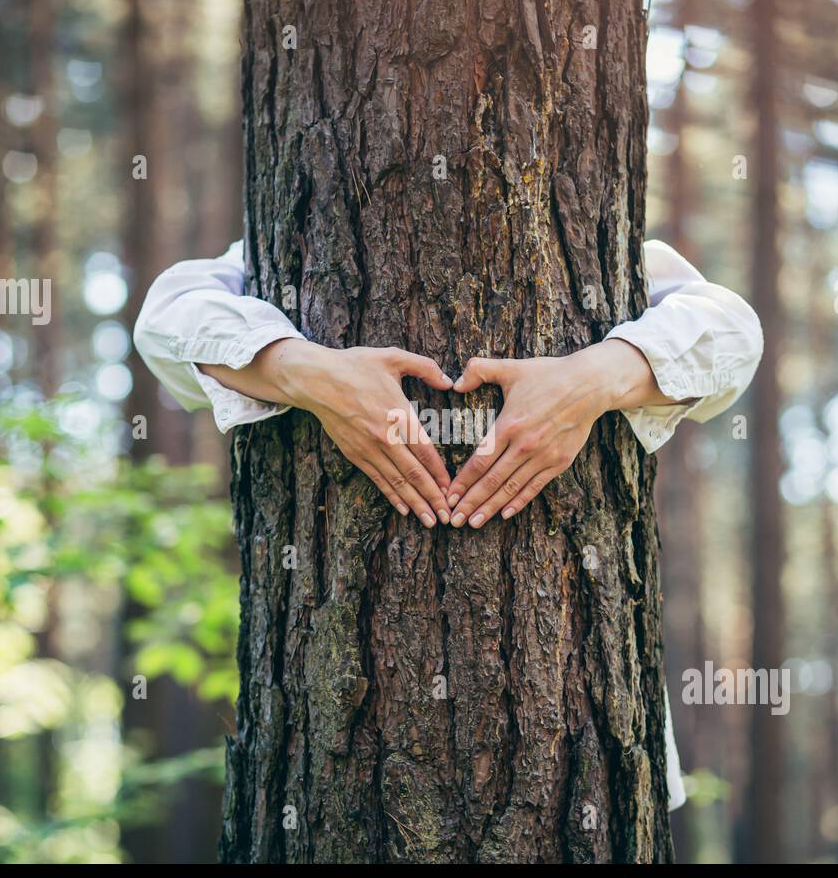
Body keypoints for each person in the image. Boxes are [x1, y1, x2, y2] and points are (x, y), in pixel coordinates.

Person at [133, 236, 764, 812]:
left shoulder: (608, 246)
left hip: (585, 739)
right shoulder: (277, 250)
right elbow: (164, 318)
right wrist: (307, 372)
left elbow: (735, 332)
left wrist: (590, 380)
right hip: (329, 727)